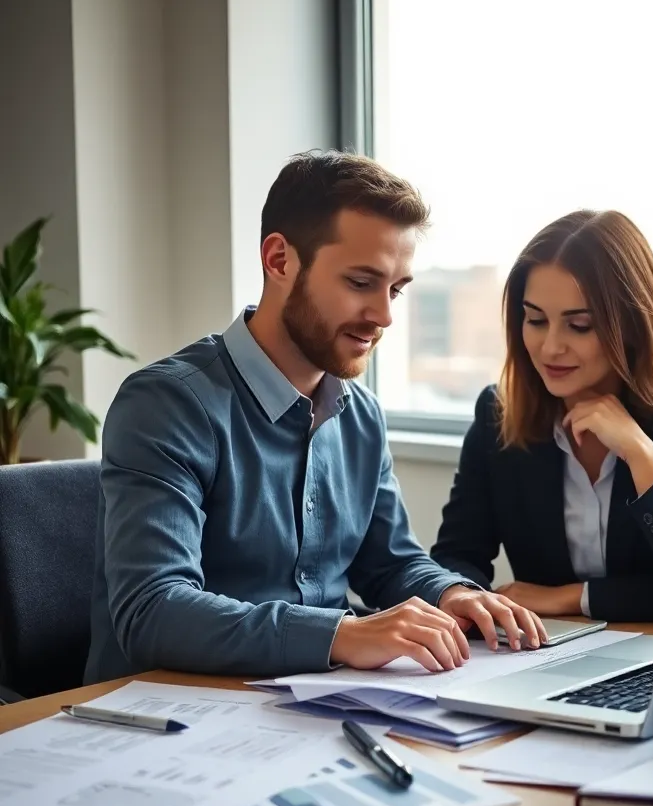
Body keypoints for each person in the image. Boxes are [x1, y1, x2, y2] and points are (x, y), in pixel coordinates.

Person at [85, 151, 544, 683]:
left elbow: (389, 562)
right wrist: (341, 634)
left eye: (395, 289)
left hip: (314, 707)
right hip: (167, 718)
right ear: (279, 260)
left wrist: (454, 594)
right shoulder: (167, 406)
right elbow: (153, 612)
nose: (384, 316)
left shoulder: (361, 414)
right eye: (360, 282)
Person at [431, 209, 653, 623]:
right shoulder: (497, 413)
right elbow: (456, 557)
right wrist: (468, 598)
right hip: (544, 654)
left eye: (578, 326)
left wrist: (641, 454)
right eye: (536, 320)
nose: (550, 347)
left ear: (632, 325)